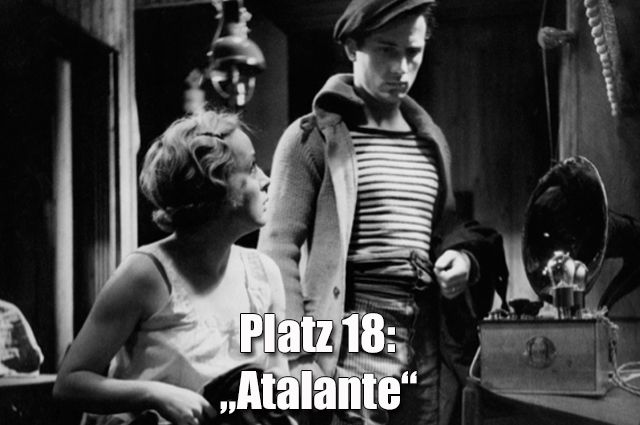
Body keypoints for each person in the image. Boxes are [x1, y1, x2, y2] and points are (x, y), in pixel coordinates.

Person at [257, 1, 508, 425]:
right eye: (386, 50)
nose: (401, 68)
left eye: (413, 52)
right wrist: (299, 358)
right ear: (351, 47)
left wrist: (463, 259)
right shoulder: (311, 137)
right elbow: (277, 253)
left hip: (425, 339)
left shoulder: (430, 142)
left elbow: (443, 230)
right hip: (351, 337)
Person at [54, 110, 288, 425]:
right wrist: (154, 394)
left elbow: (277, 378)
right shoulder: (145, 274)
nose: (266, 180)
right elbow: (69, 383)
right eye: (251, 167)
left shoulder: (264, 274)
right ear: (213, 187)